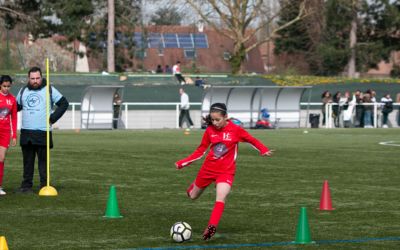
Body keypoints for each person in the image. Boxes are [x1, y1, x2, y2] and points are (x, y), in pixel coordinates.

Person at [175, 103, 273, 240]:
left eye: (217, 120)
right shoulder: (209, 130)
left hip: (226, 171)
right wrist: (183, 163)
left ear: (225, 117)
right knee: (192, 196)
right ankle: (193, 186)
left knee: (221, 197)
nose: (214, 123)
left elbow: (252, 140)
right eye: (212, 119)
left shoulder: (236, 130)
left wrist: (263, 149)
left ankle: (211, 228)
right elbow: (200, 151)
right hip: (208, 169)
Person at [16, 66, 69, 192]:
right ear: (28, 79)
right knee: (27, 162)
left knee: (43, 162)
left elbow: (64, 103)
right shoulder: (23, 91)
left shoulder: (49, 89)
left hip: (43, 132)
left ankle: (45, 185)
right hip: (26, 132)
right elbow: (15, 107)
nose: (35, 81)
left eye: (37, 78)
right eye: (32, 78)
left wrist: (53, 117)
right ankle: (26, 186)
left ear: (42, 77)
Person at [0, 75, 18, 195]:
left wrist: (14, 135)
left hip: (5, 133)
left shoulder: (12, 99)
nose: (6, 88)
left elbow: (14, 118)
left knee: (1, 158)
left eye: (8, 86)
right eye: (4, 86)